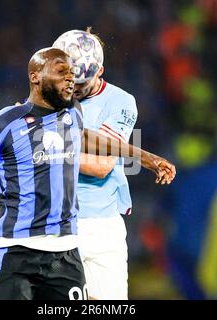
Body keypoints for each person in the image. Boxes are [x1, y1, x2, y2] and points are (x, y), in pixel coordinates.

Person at [0, 47, 176, 300]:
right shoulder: (2, 124)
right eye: (62, 72)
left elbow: (87, 137)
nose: (70, 79)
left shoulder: (71, 115)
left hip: (65, 252)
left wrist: (145, 158)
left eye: (73, 74)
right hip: (13, 253)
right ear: (36, 76)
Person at [52, 28, 147, 299]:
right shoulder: (49, 97)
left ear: (100, 71)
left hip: (100, 226)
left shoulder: (120, 102)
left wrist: (48, 151)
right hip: (55, 224)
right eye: (71, 82)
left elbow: (101, 165)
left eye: (83, 84)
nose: (75, 90)